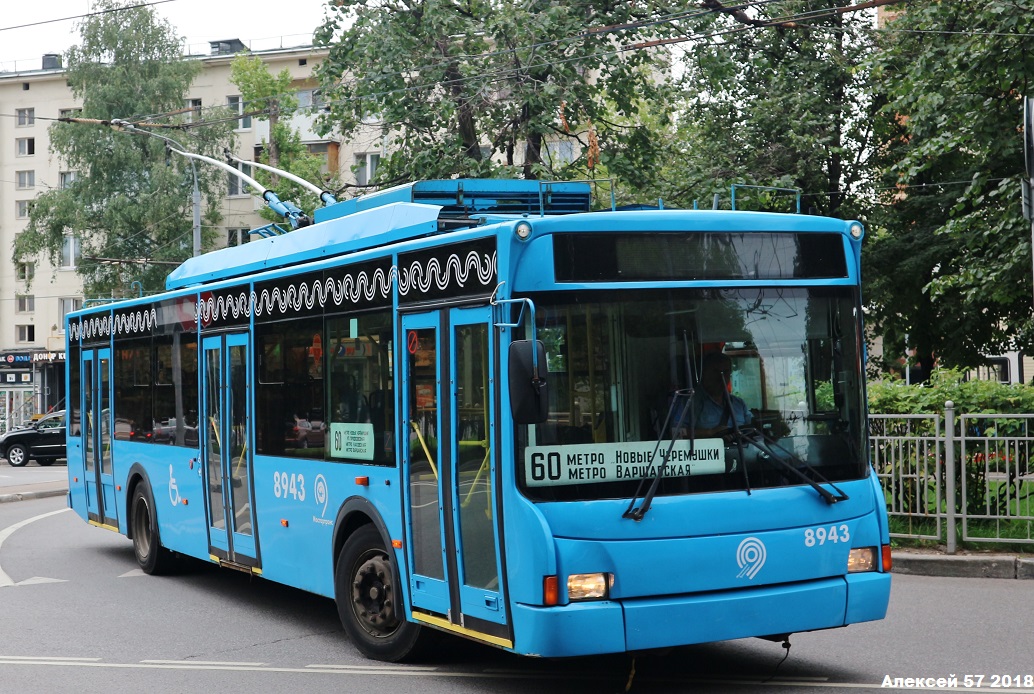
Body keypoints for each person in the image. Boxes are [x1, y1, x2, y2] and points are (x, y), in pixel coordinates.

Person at [691, 352, 751, 437]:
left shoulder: (739, 404)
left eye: (725, 372)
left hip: (740, 449)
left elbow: (754, 427)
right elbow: (676, 432)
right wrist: (710, 432)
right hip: (709, 449)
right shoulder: (690, 402)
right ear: (704, 373)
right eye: (716, 371)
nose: (721, 377)